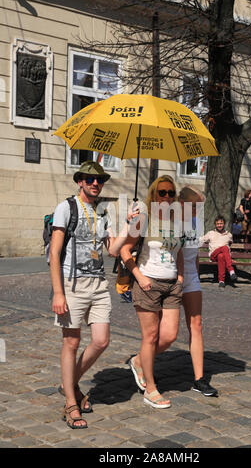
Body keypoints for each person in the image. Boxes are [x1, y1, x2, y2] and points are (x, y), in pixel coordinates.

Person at [50, 161, 138, 429]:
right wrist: (58, 292)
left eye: (99, 180)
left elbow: (112, 250)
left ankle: (69, 384)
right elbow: (54, 252)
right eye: (89, 179)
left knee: (101, 340)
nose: (95, 184)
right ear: (80, 181)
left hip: (98, 285)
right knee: (72, 343)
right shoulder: (67, 207)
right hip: (72, 284)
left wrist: (129, 226)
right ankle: (70, 403)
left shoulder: (102, 212)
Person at [120, 175, 184, 409]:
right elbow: (125, 251)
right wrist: (140, 277)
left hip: (171, 285)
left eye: (170, 193)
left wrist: (180, 276)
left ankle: (138, 361)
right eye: (161, 193)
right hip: (148, 283)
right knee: (151, 337)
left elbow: (178, 252)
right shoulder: (144, 219)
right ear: (153, 195)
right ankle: (150, 389)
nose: (166, 197)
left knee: (169, 336)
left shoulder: (177, 221)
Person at [178, 186, 218, 396]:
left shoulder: (195, 222)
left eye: (199, 206)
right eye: (194, 205)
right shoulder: (171, 220)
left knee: (196, 324)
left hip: (192, 276)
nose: (197, 210)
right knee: (162, 331)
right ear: (181, 202)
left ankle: (199, 379)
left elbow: (194, 252)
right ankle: (143, 363)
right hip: (171, 275)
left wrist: (197, 275)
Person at [200, 215, 237, 288]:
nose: (219, 225)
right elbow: (201, 239)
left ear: (224, 224)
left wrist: (228, 257)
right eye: (218, 224)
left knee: (221, 256)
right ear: (215, 224)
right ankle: (231, 270)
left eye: (221, 223)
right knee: (224, 248)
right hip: (213, 255)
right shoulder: (211, 233)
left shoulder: (228, 235)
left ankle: (221, 281)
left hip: (222, 256)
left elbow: (230, 244)